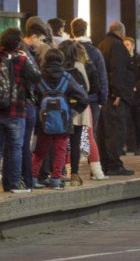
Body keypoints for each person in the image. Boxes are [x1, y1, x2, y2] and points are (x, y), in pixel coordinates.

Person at [0, 27, 40, 194]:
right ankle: (15, 184)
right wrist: (26, 57)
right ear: (18, 42)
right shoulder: (21, 59)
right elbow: (36, 76)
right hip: (16, 110)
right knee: (16, 147)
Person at [31, 49, 88, 190]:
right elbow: (84, 97)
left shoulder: (39, 77)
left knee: (40, 151)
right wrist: (73, 111)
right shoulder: (66, 77)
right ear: (60, 60)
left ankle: (31, 178)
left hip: (43, 121)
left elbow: (31, 96)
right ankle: (56, 180)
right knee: (60, 150)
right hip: (63, 120)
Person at [71, 18, 109, 180]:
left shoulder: (68, 49)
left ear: (72, 31)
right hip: (92, 99)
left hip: (72, 99)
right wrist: (102, 99)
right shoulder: (95, 52)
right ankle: (95, 170)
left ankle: (69, 170)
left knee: (71, 135)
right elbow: (102, 77)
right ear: (86, 30)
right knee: (89, 134)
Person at [97, 21, 135, 176]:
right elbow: (117, 70)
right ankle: (114, 164)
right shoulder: (118, 46)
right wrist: (117, 93)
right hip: (115, 97)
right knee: (115, 131)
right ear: (121, 32)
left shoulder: (102, 45)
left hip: (105, 96)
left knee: (104, 131)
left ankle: (105, 164)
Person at [23, 16, 53, 187]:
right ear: (34, 36)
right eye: (40, 39)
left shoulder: (25, 50)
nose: (42, 43)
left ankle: (30, 175)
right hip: (33, 103)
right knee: (35, 141)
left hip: (32, 102)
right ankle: (33, 176)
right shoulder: (35, 52)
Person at [59, 40, 92, 186]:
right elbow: (87, 87)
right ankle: (74, 174)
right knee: (75, 141)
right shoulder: (78, 66)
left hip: (60, 109)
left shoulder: (57, 67)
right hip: (77, 110)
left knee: (60, 142)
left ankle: (59, 172)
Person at [123, 37, 140, 155]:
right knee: (123, 121)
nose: (126, 47)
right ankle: (123, 146)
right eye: (124, 45)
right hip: (124, 95)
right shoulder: (121, 59)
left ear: (132, 46)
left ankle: (138, 146)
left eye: (128, 45)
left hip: (136, 96)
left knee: (137, 122)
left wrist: (135, 87)